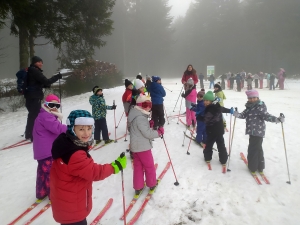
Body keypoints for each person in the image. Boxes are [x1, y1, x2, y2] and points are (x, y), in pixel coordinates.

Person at [50, 110, 126, 225]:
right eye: (81, 129)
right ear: (72, 129)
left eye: (89, 128)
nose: (86, 133)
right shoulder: (74, 154)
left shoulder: (66, 143)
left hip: (67, 205)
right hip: (73, 209)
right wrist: (115, 167)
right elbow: (94, 172)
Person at [233, 90, 284, 173]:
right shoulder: (249, 107)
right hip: (252, 131)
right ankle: (260, 166)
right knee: (258, 148)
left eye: (254, 98)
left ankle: (252, 167)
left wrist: (277, 119)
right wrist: (237, 114)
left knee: (253, 149)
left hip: (258, 131)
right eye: (250, 98)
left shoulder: (260, 107)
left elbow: (267, 116)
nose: (252, 99)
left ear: (257, 98)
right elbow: (243, 115)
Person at [127, 95, 164, 195]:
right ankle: (152, 184)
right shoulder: (140, 118)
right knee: (149, 166)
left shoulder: (134, 114)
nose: (148, 107)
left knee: (138, 167)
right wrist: (159, 132)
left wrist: (148, 124)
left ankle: (138, 187)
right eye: (145, 104)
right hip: (143, 148)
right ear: (139, 105)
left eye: (149, 104)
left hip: (136, 147)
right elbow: (147, 134)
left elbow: (133, 129)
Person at [32, 94, 67, 200]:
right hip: (47, 151)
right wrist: (71, 129)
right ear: (46, 105)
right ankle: (53, 194)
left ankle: (41, 192)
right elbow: (57, 128)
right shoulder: (46, 116)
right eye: (51, 105)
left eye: (57, 106)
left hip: (42, 151)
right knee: (51, 173)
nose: (54, 108)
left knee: (42, 172)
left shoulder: (44, 115)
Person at [24, 56, 62, 141]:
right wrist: (57, 77)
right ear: (34, 63)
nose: (41, 64)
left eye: (41, 62)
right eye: (39, 62)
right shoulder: (35, 71)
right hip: (35, 96)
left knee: (31, 115)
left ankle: (28, 133)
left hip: (29, 96)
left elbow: (37, 83)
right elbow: (46, 81)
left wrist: (45, 84)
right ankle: (33, 135)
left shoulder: (30, 70)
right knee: (35, 116)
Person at [197, 91, 233, 165]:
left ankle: (207, 158)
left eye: (207, 101)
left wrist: (199, 116)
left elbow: (206, 119)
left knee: (209, 145)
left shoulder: (210, 109)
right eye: (204, 100)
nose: (205, 102)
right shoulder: (217, 105)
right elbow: (222, 109)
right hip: (219, 130)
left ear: (211, 101)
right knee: (221, 145)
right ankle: (223, 160)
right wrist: (229, 110)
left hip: (211, 132)